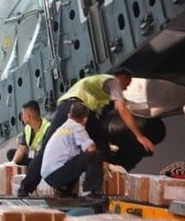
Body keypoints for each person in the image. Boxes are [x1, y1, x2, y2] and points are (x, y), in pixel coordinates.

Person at [18, 68, 156, 197]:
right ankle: (100, 188)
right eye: (127, 83)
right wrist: (139, 136)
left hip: (64, 108)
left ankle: (26, 188)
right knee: (101, 147)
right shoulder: (113, 82)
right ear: (120, 77)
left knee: (47, 149)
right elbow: (122, 109)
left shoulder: (96, 82)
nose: (126, 88)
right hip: (80, 109)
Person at [39, 102, 105, 197]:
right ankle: (90, 192)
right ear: (85, 120)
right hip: (56, 174)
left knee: (78, 158)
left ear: (69, 115)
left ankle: (66, 191)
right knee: (96, 155)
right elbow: (91, 149)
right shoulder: (77, 127)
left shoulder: (63, 127)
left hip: (48, 175)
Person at [6, 100, 50, 167]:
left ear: (29, 116)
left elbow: (47, 153)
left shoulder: (48, 128)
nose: (22, 117)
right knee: (11, 153)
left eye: (23, 114)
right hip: (33, 157)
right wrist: (13, 162)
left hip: (43, 159)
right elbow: (22, 149)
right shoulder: (27, 128)